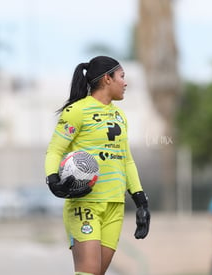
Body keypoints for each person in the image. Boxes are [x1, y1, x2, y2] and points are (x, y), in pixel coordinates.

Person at [45, 56, 150, 275]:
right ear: (107, 79)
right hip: (86, 203)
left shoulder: (120, 116)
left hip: (114, 205)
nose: (126, 83)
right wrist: (53, 180)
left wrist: (140, 200)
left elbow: (126, 159)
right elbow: (54, 150)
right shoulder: (76, 111)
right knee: (88, 272)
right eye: (122, 76)